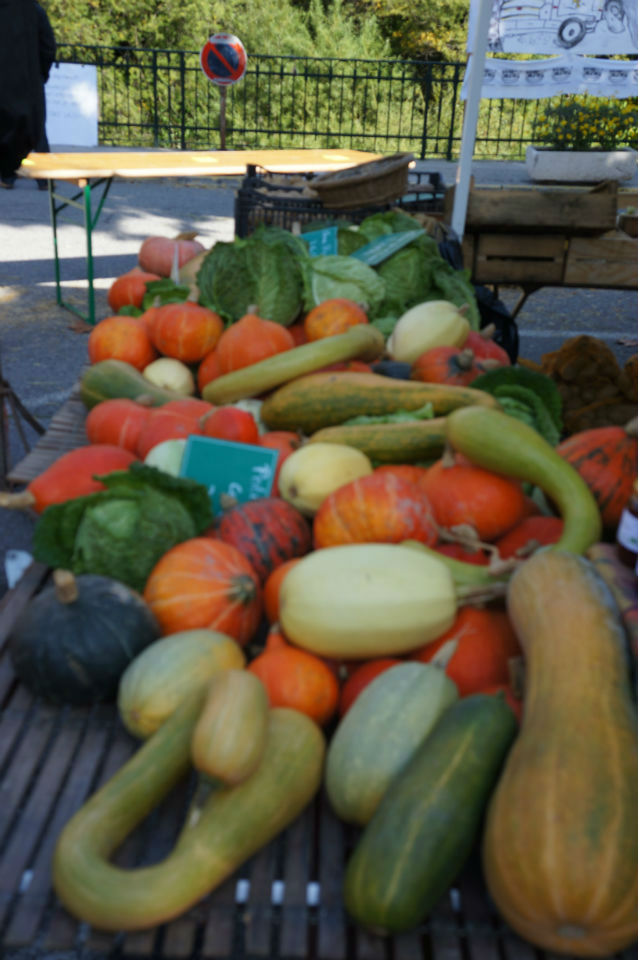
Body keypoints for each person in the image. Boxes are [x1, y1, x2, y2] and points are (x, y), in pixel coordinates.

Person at [0, 0, 56, 190]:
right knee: (36, 129)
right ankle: (45, 178)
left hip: (4, 82)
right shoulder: (34, 10)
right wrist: (41, 74)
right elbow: (48, 45)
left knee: (6, 127)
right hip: (30, 80)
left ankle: (7, 176)